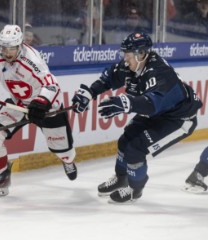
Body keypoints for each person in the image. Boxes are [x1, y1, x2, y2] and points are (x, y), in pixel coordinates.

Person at [71, 32, 203, 203]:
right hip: (157, 113)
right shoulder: (132, 65)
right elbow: (108, 79)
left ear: (141, 54)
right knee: (125, 140)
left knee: (135, 149)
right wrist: (89, 93)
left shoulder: (159, 72)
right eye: (124, 54)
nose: (125, 59)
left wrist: (126, 103)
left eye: (128, 55)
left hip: (177, 119)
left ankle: (135, 189)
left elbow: (152, 104)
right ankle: (121, 178)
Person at [0, 25, 77, 197]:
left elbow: (52, 85)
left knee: (63, 151)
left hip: (47, 107)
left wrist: (41, 102)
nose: (7, 53)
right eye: (4, 48)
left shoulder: (32, 61)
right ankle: (1, 177)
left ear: (20, 46)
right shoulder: (0, 54)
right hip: (19, 104)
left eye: (12, 49)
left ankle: (68, 161)